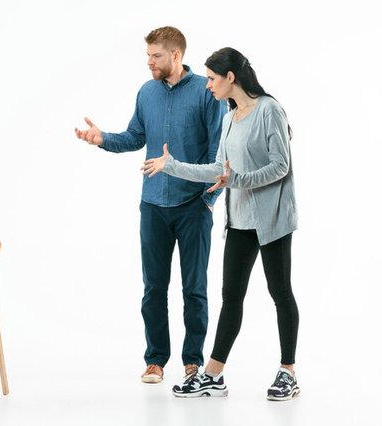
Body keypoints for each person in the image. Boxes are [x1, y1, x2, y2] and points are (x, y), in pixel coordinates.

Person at [141, 47, 300, 401]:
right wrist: (171, 165)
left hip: (273, 219)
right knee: (232, 297)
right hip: (240, 220)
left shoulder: (269, 110)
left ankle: (288, 372)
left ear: (231, 78)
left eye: (212, 78)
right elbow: (218, 171)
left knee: (280, 293)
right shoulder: (229, 118)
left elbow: (280, 166)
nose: (208, 85)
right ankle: (213, 375)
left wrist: (236, 180)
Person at [75, 26, 226, 383]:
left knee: (194, 288)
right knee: (153, 287)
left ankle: (193, 361)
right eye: (147, 55)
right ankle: (156, 359)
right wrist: (102, 139)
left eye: (155, 56)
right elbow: (135, 137)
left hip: (193, 206)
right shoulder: (146, 93)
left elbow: (218, 153)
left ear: (176, 55)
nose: (149, 62)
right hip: (153, 205)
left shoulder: (206, 93)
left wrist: (209, 201)